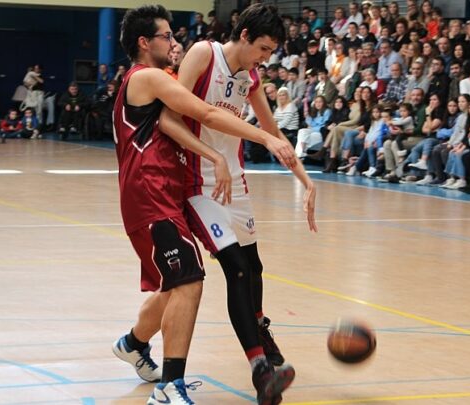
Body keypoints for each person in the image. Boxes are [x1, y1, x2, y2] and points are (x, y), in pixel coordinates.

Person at [111, 5, 297, 405]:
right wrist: (264, 139)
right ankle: (169, 388)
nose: (174, 42)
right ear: (145, 43)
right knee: (189, 280)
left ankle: (132, 343)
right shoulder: (147, 77)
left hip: (167, 190)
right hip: (150, 194)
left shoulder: (157, 77)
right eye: (166, 36)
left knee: (175, 285)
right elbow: (206, 112)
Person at [162, 7, 316, 401]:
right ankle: (260, 370)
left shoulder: (250, 77)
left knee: (255, 267)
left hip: (236, 181)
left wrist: (306, 180)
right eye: (263, 48)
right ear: (244, 35)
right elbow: (170, 116)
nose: (266, 57)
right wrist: (210, 156)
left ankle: (259, 331)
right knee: (237, 270)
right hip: (199, 182)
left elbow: (272, 131)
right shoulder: (203, 54)